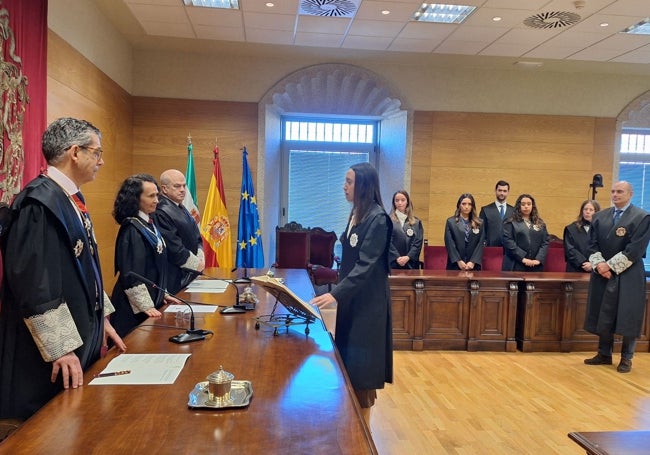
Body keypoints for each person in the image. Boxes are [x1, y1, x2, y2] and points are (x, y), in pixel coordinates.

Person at [0, 118, 126, 420]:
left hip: (80, 339)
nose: (101, 161)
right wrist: (61, 349)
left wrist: (101, 319)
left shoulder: (69, 199)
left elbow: (87, 266)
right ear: (75, 152)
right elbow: (34, 282)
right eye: (96, 153)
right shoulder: (40, 202)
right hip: (50, 359)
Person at [311, 162, 392, 423]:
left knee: (363, 371)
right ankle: (351, 426)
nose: (344, 187)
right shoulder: (357, 213)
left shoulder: (378, 219)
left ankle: (364, 436)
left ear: (364, 186)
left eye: (349, 182)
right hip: (351, 303)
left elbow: (365, 265)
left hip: (367, 307)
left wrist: (336, 293)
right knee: (349, 365)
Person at [583, 181, 650, 373]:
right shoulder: (599, 216)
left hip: (628, 273)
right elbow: (591, 245)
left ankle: (626, 357)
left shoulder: (642, 217)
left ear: (630, 194)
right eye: (613, 191)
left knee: (628, 314)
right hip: (602, 273)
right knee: (603, 311)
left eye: (620, 191)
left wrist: (610, 266)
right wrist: (600, 265)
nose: (615, 194)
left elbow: (635, 249)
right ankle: (604, 353)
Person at [110, 174, 170, 338]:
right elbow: (131, 272)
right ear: (135, 199)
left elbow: (153, 264)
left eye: (157, 195)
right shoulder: (132, 228)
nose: (157, 200)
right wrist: (145, 305)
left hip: (151, 301)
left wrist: (161, 293)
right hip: (132, 308)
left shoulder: (148, 223)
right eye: (151, 196)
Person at [155, 169, 205, 294]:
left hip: (189, 273)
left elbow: (196, 236)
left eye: (184, 186)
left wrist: (200, 255)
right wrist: (196, 265)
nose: (182, 190)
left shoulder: (180, 207)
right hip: (174, 276)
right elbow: (173, 247)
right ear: (164, 189)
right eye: (177, 186)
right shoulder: (161, 211)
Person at [502, 193, 549, 272]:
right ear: (518, 206)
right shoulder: (510, 222)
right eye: (523, 204)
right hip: (515, 264)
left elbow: (545, 242)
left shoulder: (540, 223)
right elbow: (508, 242)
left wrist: (538, 259)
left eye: (529, 204)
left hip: (535, 264)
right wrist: (523, 258)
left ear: (532, 206)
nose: (526, 206)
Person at [444, 193, 485, 270]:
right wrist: (458, 260)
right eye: (464, 204)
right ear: (459, 205)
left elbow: (480, 243)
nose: (466, 207)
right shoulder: (451, 222)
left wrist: (473, 261)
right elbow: (449, 243)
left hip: (473, 265)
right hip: (455, 264)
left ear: (472, 206)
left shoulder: (479, 222)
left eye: (469, 204)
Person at [388, 190, 424, 269]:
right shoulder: (388, 221)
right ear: (394, 203)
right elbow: (387, 242)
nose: (400, 203)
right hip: (393, 263)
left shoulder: (416, 222)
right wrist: (397, 257)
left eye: (403, 200)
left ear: (407, 202)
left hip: (411, 263)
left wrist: (408, 257)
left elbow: (417, 243)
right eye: (397, 200)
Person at [563, 199, 601, 272]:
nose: (587, 212)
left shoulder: (601, 229)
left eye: (591, 210)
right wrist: (583, 263)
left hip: (596, 269)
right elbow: (570, 249)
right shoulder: (571, 228)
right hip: (575, 268)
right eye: (585, 209)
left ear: (596, 212)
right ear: (582, 211)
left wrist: (593, 264)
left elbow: (603, 248)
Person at [479, 180, 514, 247]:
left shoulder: (513, 211)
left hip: (509, 250)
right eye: (500, 190)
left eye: (504, 191)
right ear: (495, 190)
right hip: (491, 249)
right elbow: (482, 231)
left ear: (508, 192)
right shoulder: (485, 210)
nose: (502, 193)